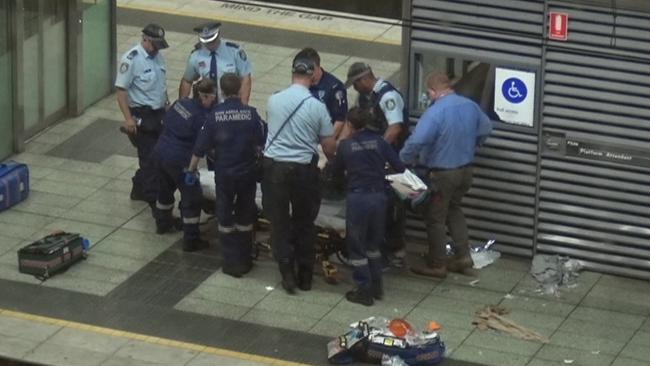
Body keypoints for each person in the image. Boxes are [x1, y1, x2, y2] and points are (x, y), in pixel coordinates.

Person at [400, 72, 492, 278]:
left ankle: (437, 264)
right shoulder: (469, 105)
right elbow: (486, 127)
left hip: (443, 174)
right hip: (466, 170)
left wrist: (402, 159)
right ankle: (463, 257)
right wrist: (472, 144)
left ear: (432, 91)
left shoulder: (435, 112)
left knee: (435, 218)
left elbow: (417, 141)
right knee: (454, 209)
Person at [262, 57, 336, 294]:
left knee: (279, 222)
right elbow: (328, 145)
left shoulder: (274, 100)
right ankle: (305, 275)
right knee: (305, 223)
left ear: (292, 73)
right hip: (304, 171)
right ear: (313, 76)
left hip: (275, 170)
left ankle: (287, 274)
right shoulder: (317, 107)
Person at [187, 73, 266, 277]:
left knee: (224, 214)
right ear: (240, 90)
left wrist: (191, 169)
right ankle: (245, 259)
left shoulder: (215, 116)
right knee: (245, 214)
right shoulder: (251, 114)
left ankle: (230, 262)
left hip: (224, 174)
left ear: (221, 91)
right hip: (247, 173)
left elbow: (200, 147)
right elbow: (262, 141)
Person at [331, 107, 405, 306]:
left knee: (357, 246)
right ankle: (377, 286)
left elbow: (335, 173)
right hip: (379, 198)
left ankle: (363, 290)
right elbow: (399, 166)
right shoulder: (380, 142)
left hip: (358, 199)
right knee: (374, 244)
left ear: (350, 125)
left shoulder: (346, 146)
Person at [345, 62, 408, 268]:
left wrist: (377, 152)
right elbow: (353, 122)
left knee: (392, 208)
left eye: (355, 83)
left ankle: (394, 250)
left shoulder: (387, 96)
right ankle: (377, 249)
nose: (354, 88)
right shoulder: (364, 97)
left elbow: (395, 128)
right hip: (376, 160)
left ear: (364, 79)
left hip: (391, 160)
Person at [151, 79, 217, 252]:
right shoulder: (201, 117)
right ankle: (191, 239)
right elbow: (202, 146)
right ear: (203, 96)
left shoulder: (180, 102)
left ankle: (162, 223)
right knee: (192, 196)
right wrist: (191, 170)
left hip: (160, 151)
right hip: (178, 158)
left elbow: (166, 121)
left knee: (165, 189)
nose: (214, 100)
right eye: (212, 96)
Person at [115, 23, 170, 205]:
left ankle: (138, 187)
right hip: (142, 115)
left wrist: (167, 105)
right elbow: (121, 90)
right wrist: (128, 119)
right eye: (154, 45)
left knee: (160, 155)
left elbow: (161, 86)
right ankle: (154, 203)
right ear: (145, 39)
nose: (156, 49)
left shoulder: (158, 58)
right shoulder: (132, 60)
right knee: (149, 160)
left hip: (159, 113)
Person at [179, 22, 252, 104]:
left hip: (228, 105)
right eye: (206, 42)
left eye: (213, 41)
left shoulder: (234, 52)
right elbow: (187, 81)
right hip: (207, 106)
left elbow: (246, 78)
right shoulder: (196, 56)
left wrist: (243, 105)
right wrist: (182, 104)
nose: (210, 44)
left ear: (219, 35)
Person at [293, 47, 348, 139]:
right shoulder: (301, 83)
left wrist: (327, 141)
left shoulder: (334, 87)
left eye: (311, 69)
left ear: (318, 66)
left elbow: (340, 119)